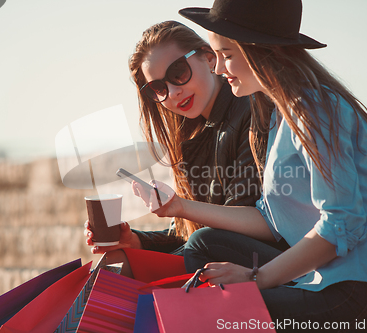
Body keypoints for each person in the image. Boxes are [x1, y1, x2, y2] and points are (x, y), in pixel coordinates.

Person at [132, 0, 367, 329]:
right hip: (319, 279)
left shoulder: (315, 109)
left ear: (261, 51)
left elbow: (342, 223)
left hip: (360, 293)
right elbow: (270, 220)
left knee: (210, 311)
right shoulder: (280, 117)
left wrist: (256, 277)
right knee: (206, 245)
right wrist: (179, 206)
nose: (219, 67)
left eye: (227, 55)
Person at [84, 21, 266, 262]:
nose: (172, 93)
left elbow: (231, 231)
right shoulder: (190, 137)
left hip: (269, 263)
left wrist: (180, 206)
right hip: (219, 256)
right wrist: (136, 240)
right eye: (158, 88)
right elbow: (189, 232)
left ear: (209, 58)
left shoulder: (251, 110)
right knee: (119, 255)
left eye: (178, 72)